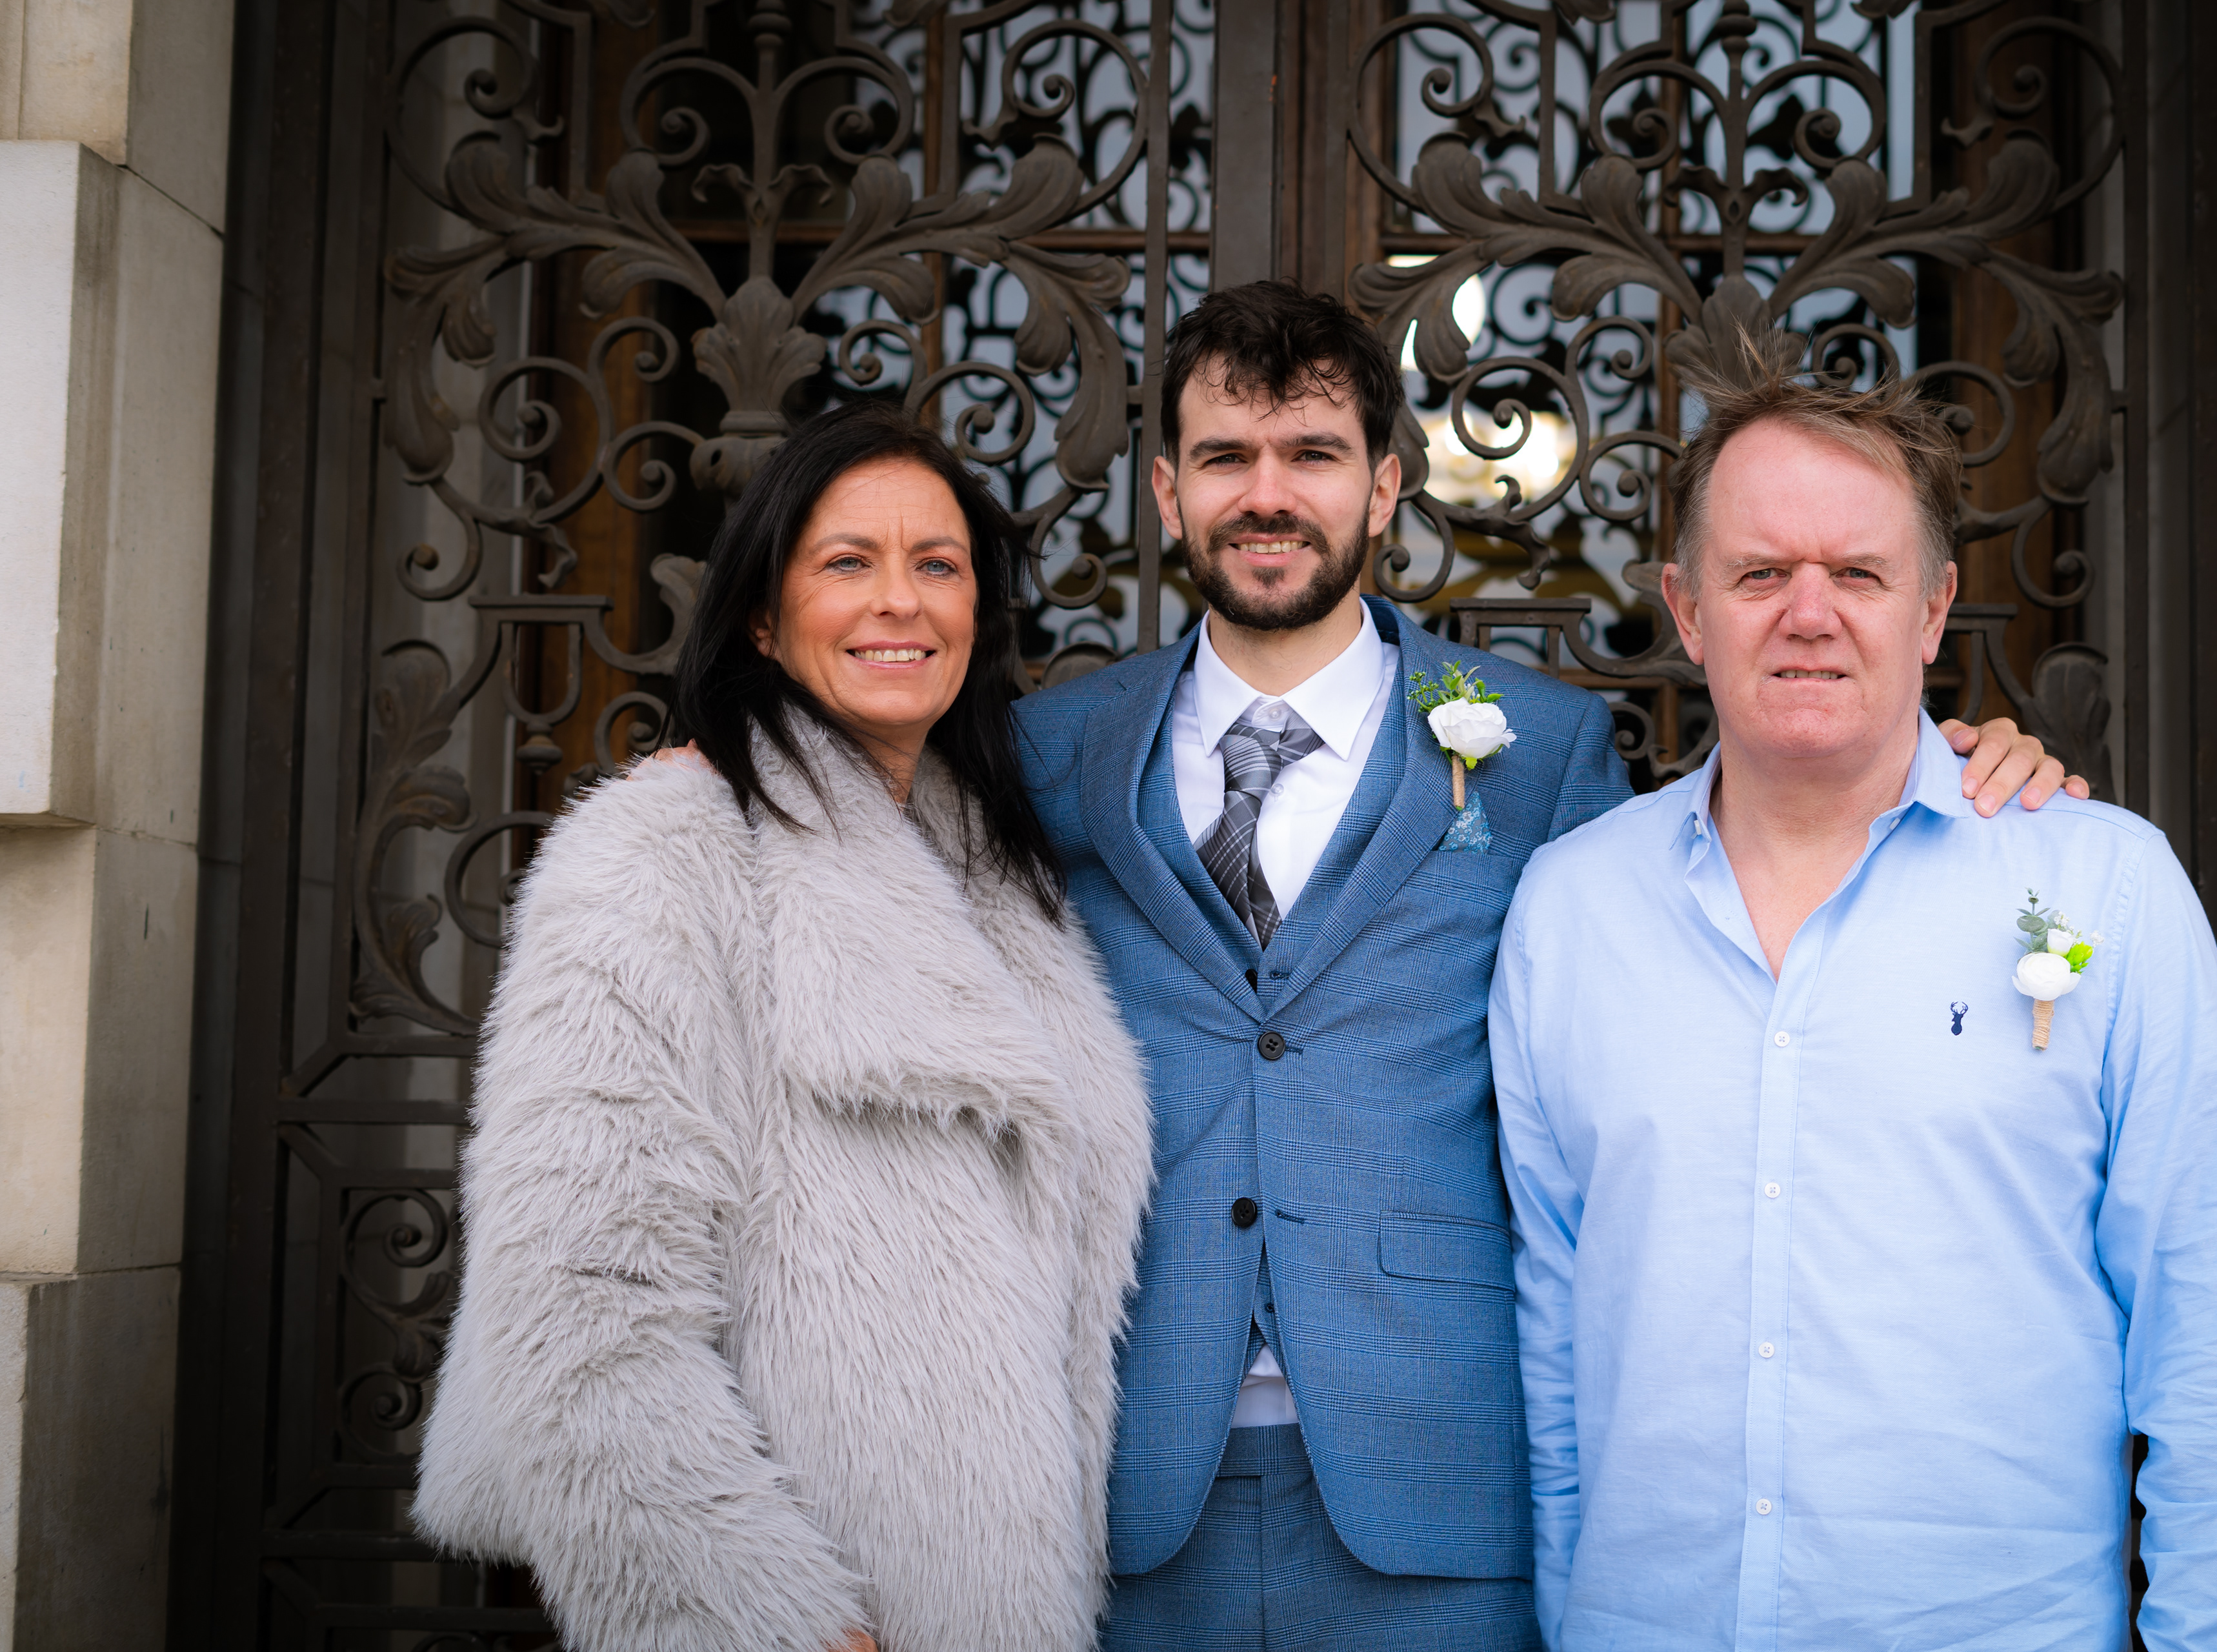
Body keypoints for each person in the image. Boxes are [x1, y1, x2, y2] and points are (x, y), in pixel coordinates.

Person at [1012, 281, 2082, 1650]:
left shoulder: (1543, 749)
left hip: (1439, 1478)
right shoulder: (1053, 752)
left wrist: (1970, 763)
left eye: (1313, 454)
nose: (1267, 495)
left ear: (1385, 486)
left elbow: (1658, 1022)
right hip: (1126, 1472)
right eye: (1226, 457)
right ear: (1167, 492)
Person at [1490, 366, 2217, 1649]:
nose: (1809, 614)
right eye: (1761, 572)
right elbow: (1552, 1335)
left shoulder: (2105, 886)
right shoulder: (1568, 910)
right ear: (1688, 609)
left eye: (1860, 574)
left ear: (1932, 609)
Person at [413, 402, 1155, 1652]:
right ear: (763, 616)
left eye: (938, 564)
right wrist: (767, 1619)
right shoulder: (661, 854)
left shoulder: (995, 873)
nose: (900, 601)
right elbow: (582, 1307)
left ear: (980, 613)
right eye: (847, 562)